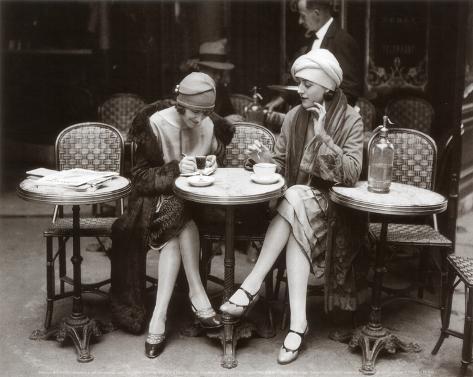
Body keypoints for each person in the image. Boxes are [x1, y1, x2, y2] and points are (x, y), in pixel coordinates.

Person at [220, 49, 366, 365]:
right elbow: (281, 162)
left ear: (327, 87)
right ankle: (298, 323)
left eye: (307, 84)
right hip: (298, 206)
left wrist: (324, 136)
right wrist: (261, 162)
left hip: (336, 207)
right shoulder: (293, 117)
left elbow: (352, 173)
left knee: (294, 198)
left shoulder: (352, 119)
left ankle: (251, 286)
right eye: (298, 82)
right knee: (296, 202)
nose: (299, 90)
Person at [109, 72, 235, 358]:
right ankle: (196, 294)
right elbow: (139, 178)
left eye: (206, 113)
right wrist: (175, 169)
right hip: (153, 202)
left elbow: (216, 159)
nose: (199, 120)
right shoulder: (154, 123)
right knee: (179, 219)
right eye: (194, 112)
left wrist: (213, 161)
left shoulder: (208, 124)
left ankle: (159, 317)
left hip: (197, 202)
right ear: (180, 105)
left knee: (181, 220)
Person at [266, 0, 362, 110]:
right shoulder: (312, 39)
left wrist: (325, 114)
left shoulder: (342, 41)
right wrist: (282, 99)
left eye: (303, 16)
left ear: (316, 13)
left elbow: (350, 90)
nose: (300, 21)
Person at [181, 38, 238, 119]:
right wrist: (223, 122)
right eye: (214, 72)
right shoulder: (188, 90)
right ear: (201, 69)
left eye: (220, 72)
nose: (218, 77)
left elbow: (229, 113)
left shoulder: (221, 90)